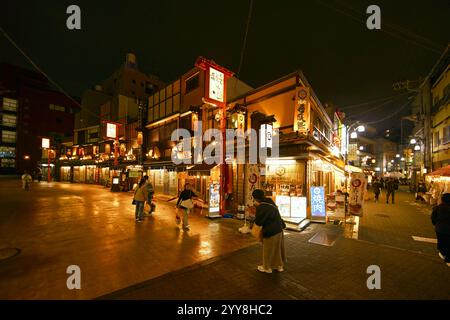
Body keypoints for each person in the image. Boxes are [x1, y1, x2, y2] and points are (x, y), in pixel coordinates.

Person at [252, 189, 286, 274]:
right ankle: (279, 266)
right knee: (277, 249)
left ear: (255, 198)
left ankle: (267, 267)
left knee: (268, 249)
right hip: (279, 228)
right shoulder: (270, 201)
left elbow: (259, 221)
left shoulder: (262, 207)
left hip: (271, 230)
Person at [431, 193, 450, 267]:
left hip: (440, 229)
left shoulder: (437, 208)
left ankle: (443, 252)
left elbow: (433, 218)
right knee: (448, 242)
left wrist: (435, 224)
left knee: (441, 241)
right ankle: (447, 257)